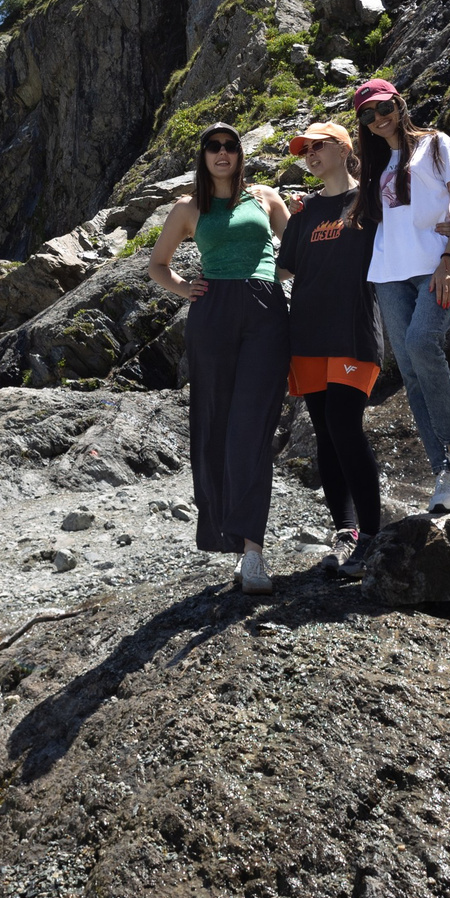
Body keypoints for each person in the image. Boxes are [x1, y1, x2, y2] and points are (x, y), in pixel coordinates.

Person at [147, 122, 290, 594]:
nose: (222, 152)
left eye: (230, 145)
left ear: (240, 154)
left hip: (266, 312)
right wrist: (185, 288)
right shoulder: (188, 208)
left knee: (254, 425)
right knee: (214, 422)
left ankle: (253, 552)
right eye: (213, 146)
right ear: (203, 155)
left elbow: (296, 253)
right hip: (212, 315)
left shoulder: (265, 198)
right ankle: (225, 534)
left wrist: (269, 274)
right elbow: (157, 264)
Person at [350, 77, 450, 513]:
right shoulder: (372, 163)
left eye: (384, 107)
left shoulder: (435, 144)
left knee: (421, 344)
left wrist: (449, 260)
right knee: (411, 371)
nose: (379, 118)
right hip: (388, 273)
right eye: (367, 114)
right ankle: (442, 472)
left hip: (436, 266)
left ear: (399, 103)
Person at [275, 121, 384, 578]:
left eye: (318, 146)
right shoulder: (304, 212)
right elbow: (282, 270)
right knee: (325, 431)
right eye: (305, 151)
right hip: (307, 333)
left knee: (344, 423)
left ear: (343, 149)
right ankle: (345, 530)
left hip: (353, 330)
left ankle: (372, 536)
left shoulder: (371, 199)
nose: (310, 155)